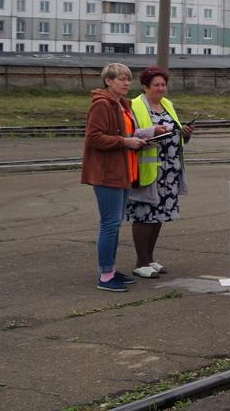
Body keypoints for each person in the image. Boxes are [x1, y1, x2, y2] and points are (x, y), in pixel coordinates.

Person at [80, 63, 167, 292]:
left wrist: (146, 135)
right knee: (109, 224)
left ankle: (110, 269)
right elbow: (94, 138)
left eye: (128, 79)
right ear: (108, 81)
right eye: (121, 79)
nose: (126, 83)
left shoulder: (123, 105)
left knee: (115, 223)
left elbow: (126, 133)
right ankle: (106, 276)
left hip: (124, 171)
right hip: (107, 173)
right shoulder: (101, 105)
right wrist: (126, 142)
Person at [126, 66, 194, 279]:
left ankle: (150, 258)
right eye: (156, 85)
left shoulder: (167, 105)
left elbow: (175, 134)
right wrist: (152, 132)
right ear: (145, 87)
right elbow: (128, 134)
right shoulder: (134, 105)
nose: (160, 88)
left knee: (159, 216)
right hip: (148, 170)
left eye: (163, 84)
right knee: (144, 215)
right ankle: (140, 262)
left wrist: (184, 133)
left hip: (169, 171)